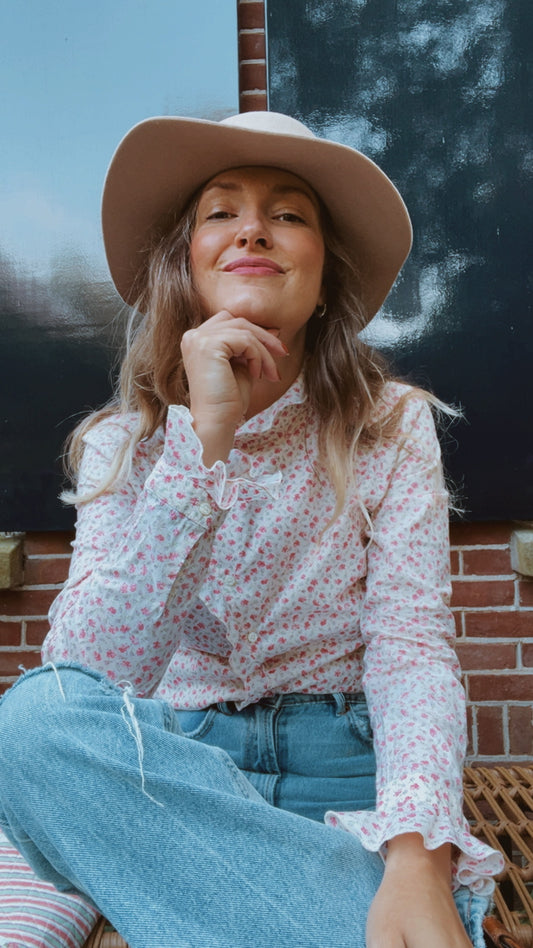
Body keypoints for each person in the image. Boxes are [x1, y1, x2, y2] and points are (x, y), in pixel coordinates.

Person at [0, 111, 502, 948]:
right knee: (31, 723)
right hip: (181, 777)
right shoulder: (122, 444)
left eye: (290, 213)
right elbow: (95, 670)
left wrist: (416, 856)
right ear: (185, 262)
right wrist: (203, 441)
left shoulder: (387, 426)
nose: (253, 232)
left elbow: (409, 648)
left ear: (323, 273)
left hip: (341, 772)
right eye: (220, 212)